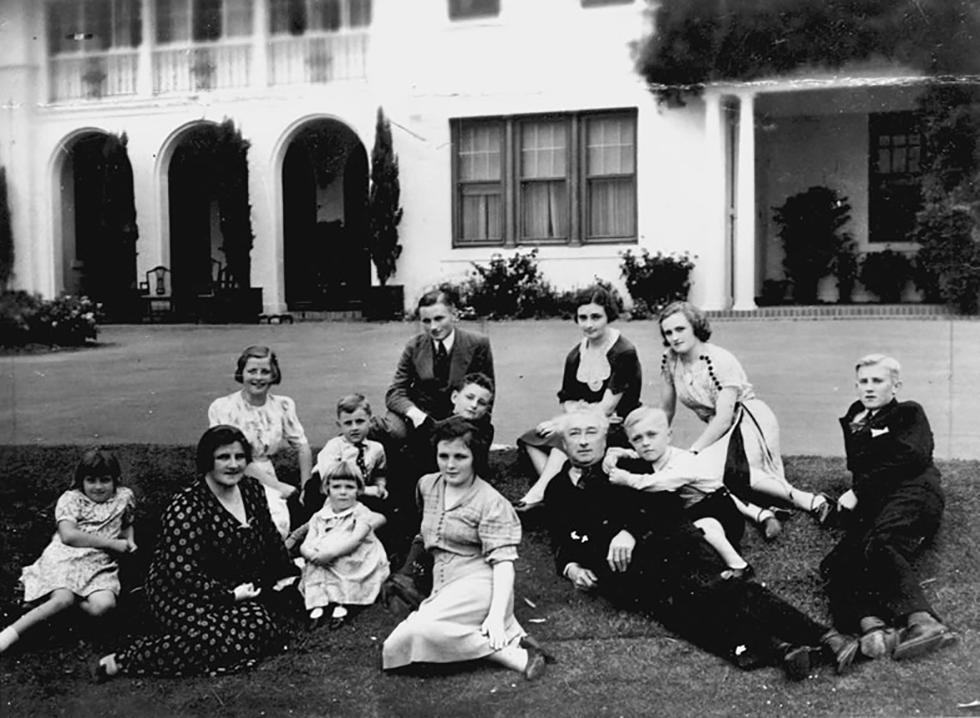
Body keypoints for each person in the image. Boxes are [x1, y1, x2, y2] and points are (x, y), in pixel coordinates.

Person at [544, 407, 859, 680]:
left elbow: (667, 508)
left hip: (668, 546)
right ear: (564, 441)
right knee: (683, 616)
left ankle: (826, 637)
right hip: (625, 575)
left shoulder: (629, 468)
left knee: (718, 591)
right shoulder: (557, 488)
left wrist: (628, 531)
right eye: (575, 433)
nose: (584, 440)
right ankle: (785, 650)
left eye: (591, 432)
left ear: (605, 437)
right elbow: (559, 538)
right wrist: (571, 568)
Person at [93, 426, 297, 680]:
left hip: (233, 587)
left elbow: (269, 537)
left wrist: (289, 573)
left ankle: (199, 639)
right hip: (180, 592)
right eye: (224, 457)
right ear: (207, 460)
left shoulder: (252, 490)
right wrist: (229, 596)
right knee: (221, 634)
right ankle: (124, 661)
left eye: (239, 457)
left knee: (260, 624)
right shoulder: (187, 507)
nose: (233, 465)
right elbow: (181, 572)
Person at [382, 417, 548, 680]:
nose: (450, 464)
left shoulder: (491, 502)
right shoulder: (427, 485)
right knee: (394, 647)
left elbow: (504, 565)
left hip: (480, 582)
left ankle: (513, 654)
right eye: (443, 455)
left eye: (460, 456)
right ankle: (511, 641)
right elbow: (427, 532)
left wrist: (496, 615)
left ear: (475, 458)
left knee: (418, 632)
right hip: (443, 583)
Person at [657, 301, 830, 539]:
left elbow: (724, 418)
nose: (674, 337)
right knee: (709, 473)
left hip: (749, 420)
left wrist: (694, 451)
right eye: (668, 332)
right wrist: (654, 440)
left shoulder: (720, 360)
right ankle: (761, 514)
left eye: (680, 329)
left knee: (725, 472)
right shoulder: (670, 360)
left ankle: (813, 501)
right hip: (718, 427)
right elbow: (666, 409)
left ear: (695, 327)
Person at [820, 354, 952, 662]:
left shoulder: (908, 413)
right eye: (863, 382)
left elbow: (911, 457)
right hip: (878, 503)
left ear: (896, 386)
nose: (869, 388)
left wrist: (858, 490)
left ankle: (924, 621)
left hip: (915, 493)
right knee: (836, 563)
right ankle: (872, 627)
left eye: (877, 381)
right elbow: (861, 466)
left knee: (881, 543)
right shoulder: (855, 418)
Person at [514, 285, 641, 511]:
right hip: (584, 420)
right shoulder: (576, 354)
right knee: (531, 438)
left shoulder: (623, 352)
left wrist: (564, 423)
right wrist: (572, 416)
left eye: (595, 317)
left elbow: (607, 408)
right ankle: (560, 486)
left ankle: (542, 490)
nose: (588, 324)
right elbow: (567, 399)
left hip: (620, 424)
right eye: (583, 317)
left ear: (608, 316)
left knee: (568, 438)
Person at [0, 449, 136, 655]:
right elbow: (68, 536)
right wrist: (112, 544)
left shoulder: (124, 497)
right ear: (81, 481)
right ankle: (9, 634)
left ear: (115, 480)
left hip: (99, 563)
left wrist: (129, 540)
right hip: (67, 555)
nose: (98, 487)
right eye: (91, 480)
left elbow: (126, 524)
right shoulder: (72, 499)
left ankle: (50, 608)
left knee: (104, 605)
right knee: (63, 598)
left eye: (105, 480)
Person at [604, 406, 750, 578]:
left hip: (718, 508)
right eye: (637, 439)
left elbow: (658, 482)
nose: (645, 443)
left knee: (706, 527)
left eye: (652, 435)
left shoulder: (683, 460)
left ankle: (739, 565)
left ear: (668, 436)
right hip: (693, 509)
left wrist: (627, 478)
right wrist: (618, 453)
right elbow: (634, 454)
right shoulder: (653, 453)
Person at [208, 345, 313, 539]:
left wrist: (307, 487)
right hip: (230, 475)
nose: (258, 377)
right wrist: (279, 486)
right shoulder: (223, 407)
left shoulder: (283, 405)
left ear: (274, 375)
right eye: (252, 371)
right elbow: (232, 457)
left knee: (276, 524)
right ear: (241, 373)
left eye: (265, 371)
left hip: (265, 474)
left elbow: (303, 446)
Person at [378, 285, 494, 444]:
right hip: (420, 414)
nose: (433, 327)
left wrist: (469, 420)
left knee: (463, 440)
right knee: (393, 431)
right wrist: (415, 413)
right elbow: (395, 391)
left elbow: (487, 392)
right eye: (426, 321)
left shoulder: (478, 344)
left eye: (439, 318)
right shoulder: (414, 346)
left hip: (458, 415)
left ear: (454, 315)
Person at [299, 460, 390, 629]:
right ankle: (318, 604)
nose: (343, 492)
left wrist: (331, 554)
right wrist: (310, 554)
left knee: (344, 563)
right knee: (315, 564)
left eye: (349, 487)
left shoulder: (361, 513)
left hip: (355, 554)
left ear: (358, 490)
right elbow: (307, 541)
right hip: (325, 556)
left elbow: (355, 540)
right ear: (327, 489)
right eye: (336, 487)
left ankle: (343, 604)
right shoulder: (320, 515)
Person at [302, 393, 388, 518]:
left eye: (360, 422)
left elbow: (380, 473)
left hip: (356, 490)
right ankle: (312, 526)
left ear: (370, 421)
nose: (354, 428)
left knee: (382, 510)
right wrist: (366, 491)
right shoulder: (334, 446)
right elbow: (330, 478)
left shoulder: (376, 448)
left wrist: (380, 487)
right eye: (348, 423)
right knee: (315, 495)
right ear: (339, 425)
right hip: (327, 487)